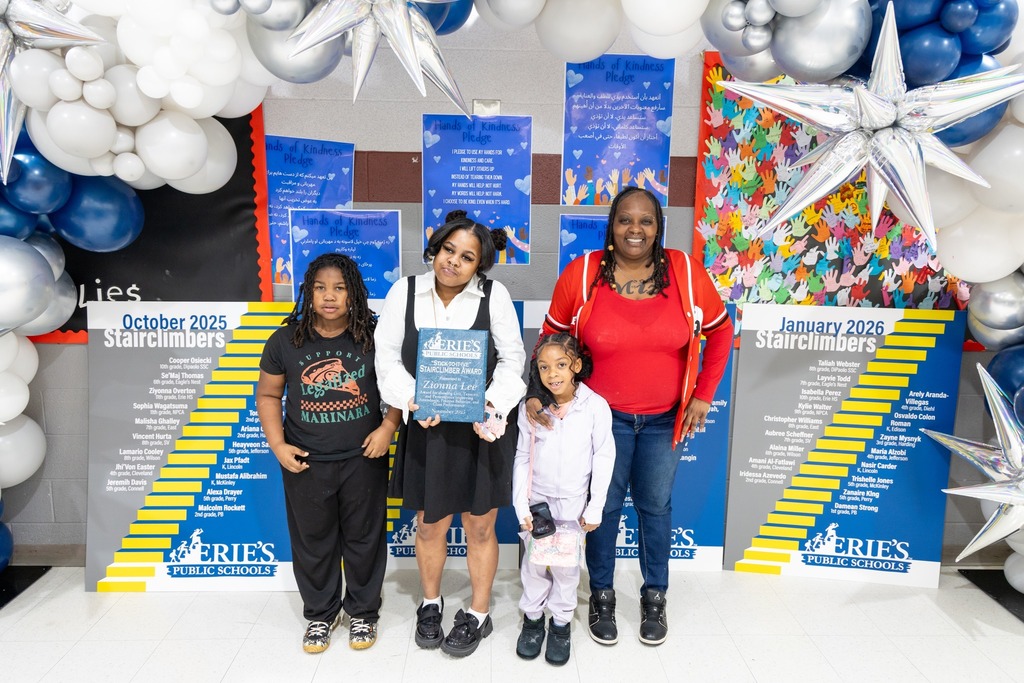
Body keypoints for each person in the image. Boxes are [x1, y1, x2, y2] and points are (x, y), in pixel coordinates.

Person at [526, 186, 733, 646]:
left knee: (655, 508)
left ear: (658, 227)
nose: (634, 230)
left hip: (665, 420)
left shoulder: (684, 272)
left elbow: (720, 332)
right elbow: (549, 340)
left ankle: (654, 595)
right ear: (611, 225)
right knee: (603, 508)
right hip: (600, 422)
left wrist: (703, 394)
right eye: (625, 220)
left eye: (645, 221)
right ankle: (601, 594)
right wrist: (538, 391)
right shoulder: (582, 275)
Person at [374, 209, 527, 658]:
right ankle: (431, 603)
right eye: (448, 250)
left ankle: (479, 612)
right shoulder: (404, 291)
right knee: (429, 524)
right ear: (435, 248)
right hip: (427, 428)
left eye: (467, 257)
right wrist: (410, 400)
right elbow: (386, 358)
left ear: (479, 265)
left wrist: (493, 404)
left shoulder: (494, 295)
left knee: (480, 527)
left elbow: (513, 359)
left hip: (480, 430)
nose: (453, 262)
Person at [256, 253, 400, 654]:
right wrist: (278, 444)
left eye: (339, 287)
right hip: (305, 462)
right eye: (320, 288)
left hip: (363, 459)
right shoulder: (286, 340)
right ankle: (320, 615)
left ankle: (363, 613)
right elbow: (268, 394)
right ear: (308, 292)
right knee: (313, 542)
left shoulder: (375, 335)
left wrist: (388, 427)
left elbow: (400, 386)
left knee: (364, 539)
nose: (329, 296)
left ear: (353, 293)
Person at [512, 333, 614, 666]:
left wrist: (595, 505)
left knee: (567, 569)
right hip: (537, 503)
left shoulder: (595, 406)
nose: (552, 373)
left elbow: (603, 457)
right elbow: (522, 457)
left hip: (572, 505)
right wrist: (520, 504)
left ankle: (560, 624)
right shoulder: (533, 410)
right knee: (535, 565)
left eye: (560, 365)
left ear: (577, 367)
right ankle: (532, 620)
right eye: (544, 367)